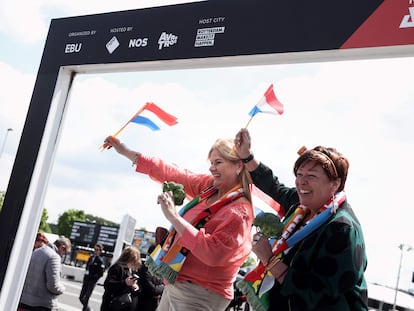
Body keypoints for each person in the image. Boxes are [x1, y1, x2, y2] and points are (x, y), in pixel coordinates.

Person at [103, 135, 254, 311]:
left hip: (200, 294)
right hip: (177, 284)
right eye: (211, 163)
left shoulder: (240, 211)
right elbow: (172, 173)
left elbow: (214, 254)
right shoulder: (210, 186)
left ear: (238, 165)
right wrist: (128, 153)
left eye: (218, 162)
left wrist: (174, 218)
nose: (212, 168)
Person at [234, 128, 368, 311]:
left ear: (335, 184)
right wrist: (247, 156)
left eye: (311, 176)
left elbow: (316, 292)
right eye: (299, 174)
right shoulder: (301, 206)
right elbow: (273, 186)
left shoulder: (342, 228)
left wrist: (269, 259)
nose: (301, 182)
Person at [19, 237, 72, 311]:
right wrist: (62, 288)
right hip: (41, 304)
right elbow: (53, 286)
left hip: (24, 301)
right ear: (62, 247)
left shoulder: (36, 251)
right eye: (65, 253)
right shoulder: (54, 257)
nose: (63, 255)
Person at [101, 246, 141, 311]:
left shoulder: (132, 270)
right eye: (134, 260)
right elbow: (108, 284)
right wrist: (125, 283)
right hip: (113, 305)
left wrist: (136, 287)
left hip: (124, 305)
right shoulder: (117, 267)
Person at [136, 244, 164, 311]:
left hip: (155, 305)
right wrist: (163, 287)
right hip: (143, 306)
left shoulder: (160, 270)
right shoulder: (144, 269)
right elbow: (152, 290)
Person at [79, 243, 106, 311]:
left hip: (92, 281)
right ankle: (88, 309)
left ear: (100, 251)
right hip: (86, 280)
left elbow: (101, 273)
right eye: (95, 249)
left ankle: (85, 309)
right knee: (81, 297)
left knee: (86, 297)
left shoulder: (100, 260)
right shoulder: (91, 258)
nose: (95, 251)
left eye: (97, 250)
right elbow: (87, 268)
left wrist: (94, 278)